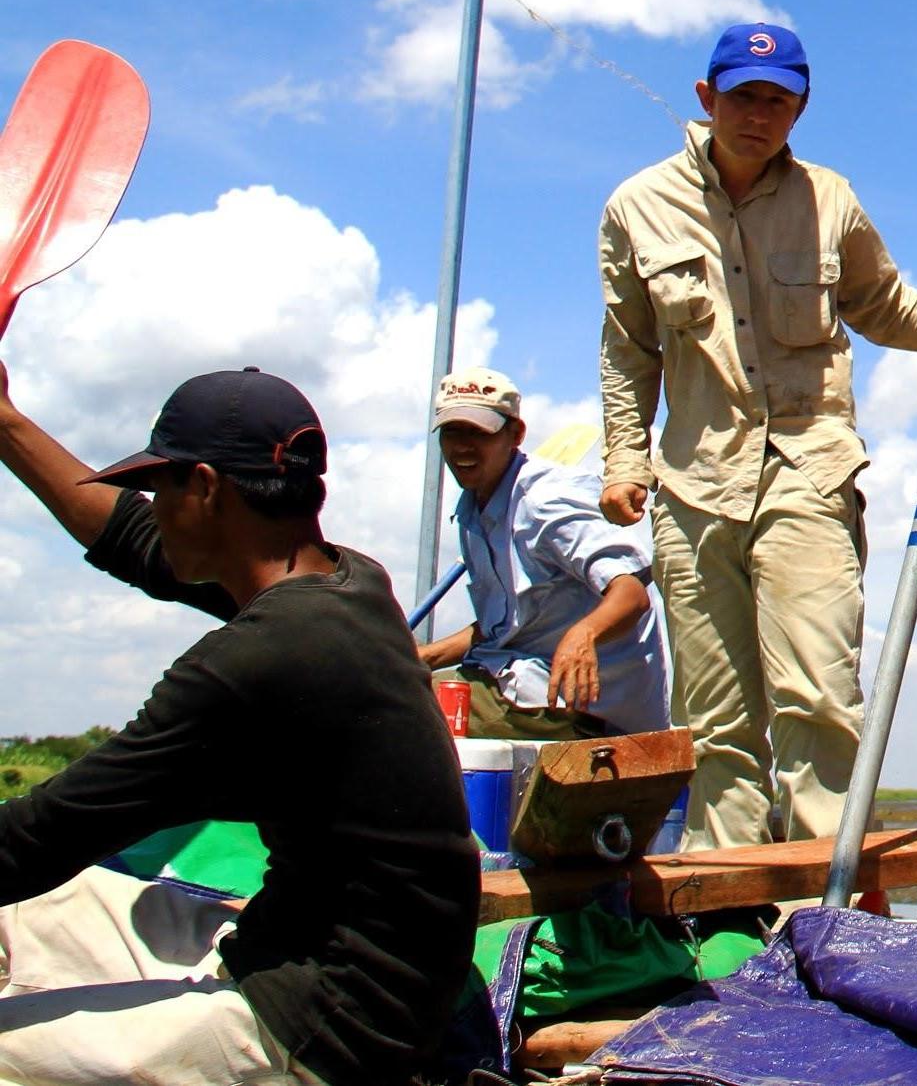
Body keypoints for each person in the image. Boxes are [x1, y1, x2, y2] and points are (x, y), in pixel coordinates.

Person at [600, 21, 917, 848]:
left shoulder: (829, 200)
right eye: (744, 96)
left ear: (800, 110)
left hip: (808, 472)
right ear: (708, 98)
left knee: (818, 694)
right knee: (712, 718)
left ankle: (821, 912)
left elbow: (890, 309)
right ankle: (729, 920)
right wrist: (624, 459)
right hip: (694, 488)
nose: (759, 115)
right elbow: (627, 349)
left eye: (778, 101)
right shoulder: (637, 206)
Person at [0, 363, 476, 1086]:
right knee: (29, 918)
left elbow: (39, 837)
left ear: (206, 490)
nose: (148, 507)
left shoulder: (259, 661)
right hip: (335, 969)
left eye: (158, 488)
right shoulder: (349, 585)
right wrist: (6, 422)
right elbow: (134, 541)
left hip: (321, 1028)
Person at [417, 367, 669, 739]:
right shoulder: (473, 507)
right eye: (452, 433)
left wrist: (583, 635)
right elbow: (506, 625)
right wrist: (423, 657)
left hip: (586, 707)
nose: (462, 447)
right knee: (390, 685)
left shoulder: (546, 500)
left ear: (515, 435)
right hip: (517, 679)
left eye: (479, 433)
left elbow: (631, 595)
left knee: (391, 708)